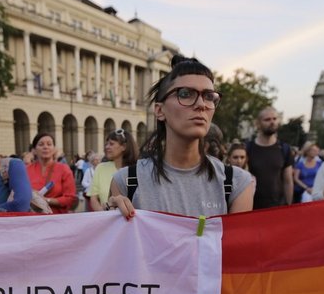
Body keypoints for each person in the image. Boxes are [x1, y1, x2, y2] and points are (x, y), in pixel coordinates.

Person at [108, 55, 254, 218]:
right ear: (159, 111)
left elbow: (235, 243)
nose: (201, 105)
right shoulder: (126, 181)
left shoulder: (236, 183)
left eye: (209, 96)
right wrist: (109, 216)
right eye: (185, 94)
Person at [246, 107, 293, 209]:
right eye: (267, 119)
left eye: (274, 119)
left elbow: (288, 181)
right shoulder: (248, 148)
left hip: (277, 208)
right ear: (258, 124)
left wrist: (289, 207)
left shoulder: (284, 149)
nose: (272, 122)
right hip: (252, 208)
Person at [88, 129, 138, 212]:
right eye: (106, 144)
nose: (107, 147)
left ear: (124, 146)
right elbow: (93, 198)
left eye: (111, 144)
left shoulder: (136, 170)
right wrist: (105, 215)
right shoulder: (101, 168)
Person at [25, 132, 77, 214]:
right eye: (41, 144)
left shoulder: (64, 169)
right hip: (33, 218)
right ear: (34, 150)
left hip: (57, 219)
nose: (45, 147)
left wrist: (46, 200)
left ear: (54, 149)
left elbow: (70, 198)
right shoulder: (26, 170)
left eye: (49, 144)